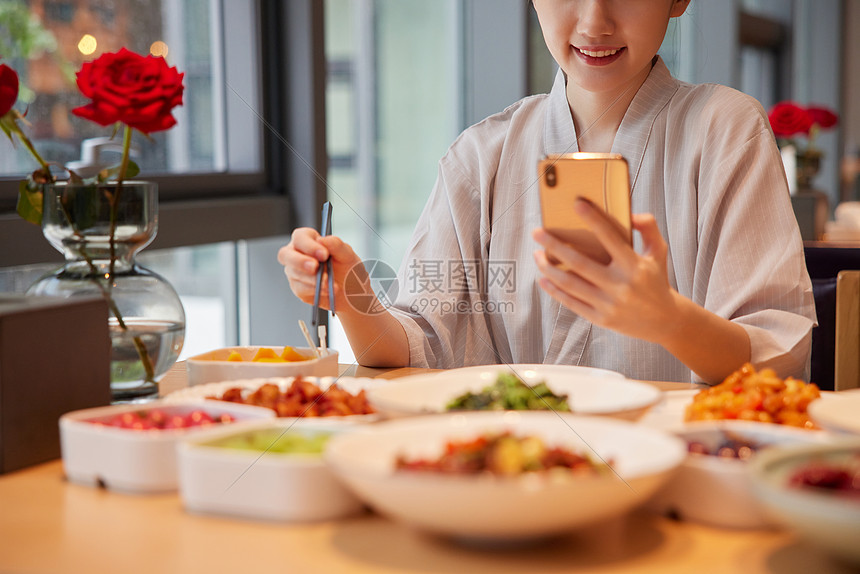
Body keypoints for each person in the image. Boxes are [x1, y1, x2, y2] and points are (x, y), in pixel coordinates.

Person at [278, 0, 816, 385]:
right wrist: (353, 297)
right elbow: (415, 348)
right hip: (512, 474)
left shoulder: (726, 129)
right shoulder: (480, 155)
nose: (593, 21)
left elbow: (777, 356)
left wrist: (671, 322)